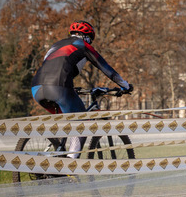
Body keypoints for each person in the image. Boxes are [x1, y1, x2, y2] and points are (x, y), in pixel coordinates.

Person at [30, 20, 133, 157]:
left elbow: (53, 67)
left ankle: (58, 152)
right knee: (83, 125)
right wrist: (125, 86)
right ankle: (70, 166)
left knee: (70, 122)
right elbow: (106, 68)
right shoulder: (82, 45)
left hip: (36, 88)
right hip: (58, 88)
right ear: (87, 36)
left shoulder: (54, 46)